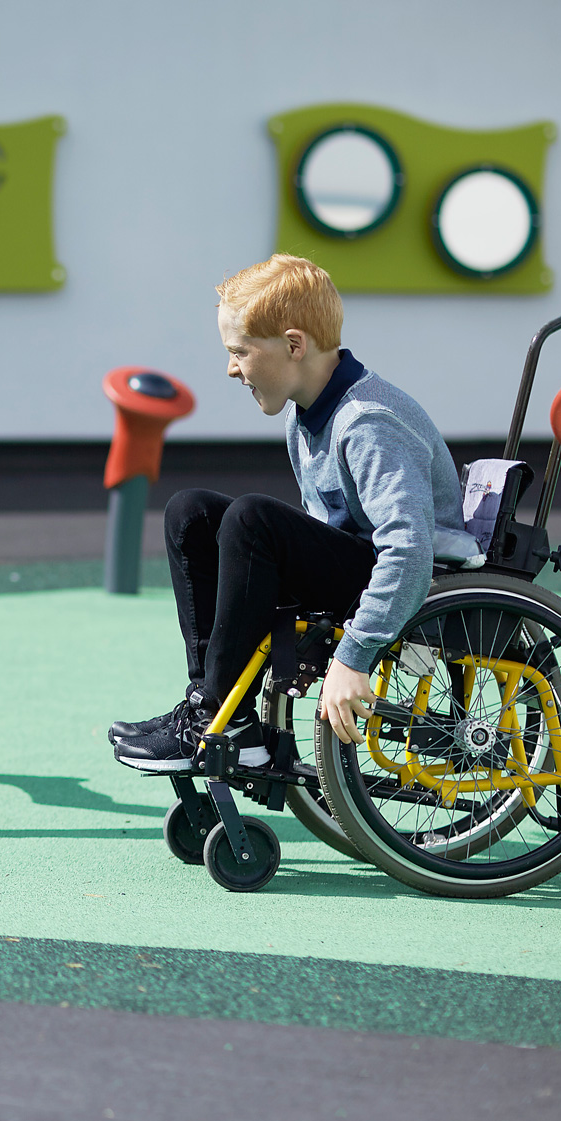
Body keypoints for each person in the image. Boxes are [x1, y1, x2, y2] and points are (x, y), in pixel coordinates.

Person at [109, 254, 478, 772]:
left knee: (253, 519)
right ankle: (216, 710)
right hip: (360, 564)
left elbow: (410, 550)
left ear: (293, 345)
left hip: (414, 584)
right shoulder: (303, 417)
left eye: (239, 352)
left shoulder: (368, 421)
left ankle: (219, 715)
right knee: (190, 512)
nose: (231, 369)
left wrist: (353, 653)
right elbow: (322, 530)